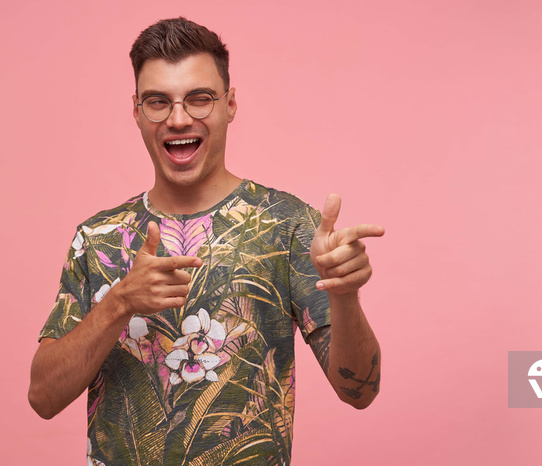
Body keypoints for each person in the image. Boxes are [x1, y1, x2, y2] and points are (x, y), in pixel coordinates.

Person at [28, 17, 383, 465]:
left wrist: (346, 295)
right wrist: (120, 302)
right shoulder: (98, 239)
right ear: (136, 111)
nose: (179, 119)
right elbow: (42, 398)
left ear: (230, 104)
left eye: (199, 99)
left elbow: (360, 392)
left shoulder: (288, 225)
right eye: (158, 102)